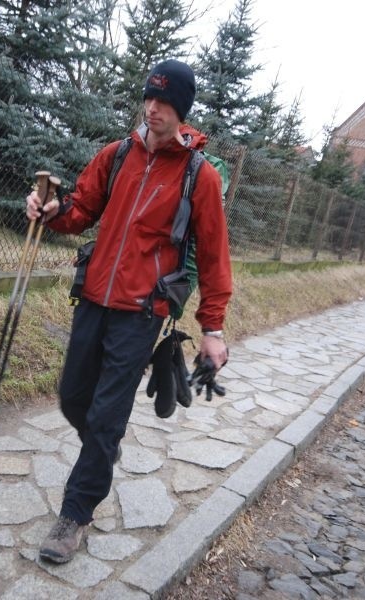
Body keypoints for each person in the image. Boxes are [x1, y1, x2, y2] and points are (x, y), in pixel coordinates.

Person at [25, 59, 232, 563]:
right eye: (149, 98)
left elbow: (213, 254)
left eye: (164, 102)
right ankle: (103, 448)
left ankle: (75, 515)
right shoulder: (117, 155)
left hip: (143, 310)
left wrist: (213, 327)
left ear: (182, 111)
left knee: (105, 416)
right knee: (73, 396)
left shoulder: (197, 177)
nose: (153, 108)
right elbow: (79, 212)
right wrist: (50, 212)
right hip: (94, 295)